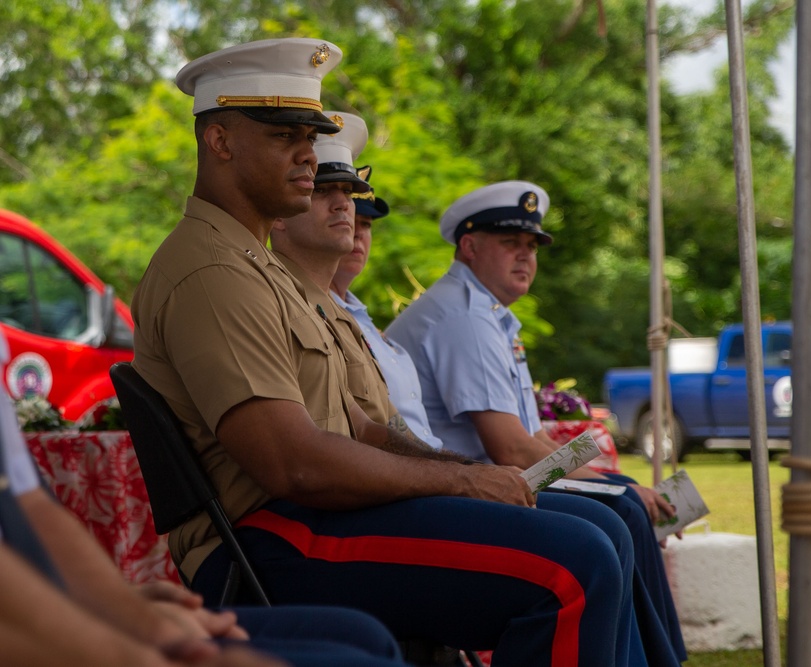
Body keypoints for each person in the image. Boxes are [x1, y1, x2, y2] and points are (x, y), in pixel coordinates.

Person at [132, 38, 646, 667]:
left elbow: (358, 428)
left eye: (310, 133)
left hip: (312, 515)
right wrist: (460, 480)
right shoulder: (211, 271)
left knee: (602, 531)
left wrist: (465, 475)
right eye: (284, 135)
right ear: (219, 141)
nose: (306, 153)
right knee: (573, 565)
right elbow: (291, 464)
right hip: (267, 537)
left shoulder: (254, 265)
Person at [385, 181, 687, 665]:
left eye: (531, 247)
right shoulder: (464, 319)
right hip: (464, 491)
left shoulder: (489, 315)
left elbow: (536, 440)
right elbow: (512, 450)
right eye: (510, 244)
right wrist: (616, 487)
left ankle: (650, 658)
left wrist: (607, 479)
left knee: (624, 495)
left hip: (491, 483)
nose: (525, 257)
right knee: (625, 508)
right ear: (469, 246)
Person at [0, 330, 409, 667]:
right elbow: (296, 466)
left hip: (57, 613)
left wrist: (130, 611)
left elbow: (32, 505)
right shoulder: (208, 270)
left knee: (363, 636)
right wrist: (134, 652)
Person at [330, 188, 444, 448]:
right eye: (347, 217)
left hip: (427, 465)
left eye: (366, 224)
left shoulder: (361, 316)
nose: (357, 232)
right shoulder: (316, 310)